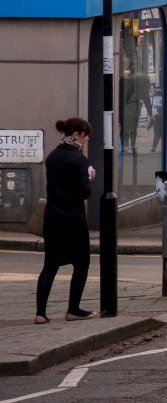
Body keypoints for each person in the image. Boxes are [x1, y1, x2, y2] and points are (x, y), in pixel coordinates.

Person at [36, 117, 96, 324]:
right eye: (86, 135)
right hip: (73, 219)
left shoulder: (53, 157)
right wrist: (89, 178)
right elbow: (84, 192)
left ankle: (40, 313)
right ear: (77, 135)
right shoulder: (79, 159)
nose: (87, 139)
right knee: (82, 264)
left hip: (52, 218)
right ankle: (73, 309)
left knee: (50, 265)